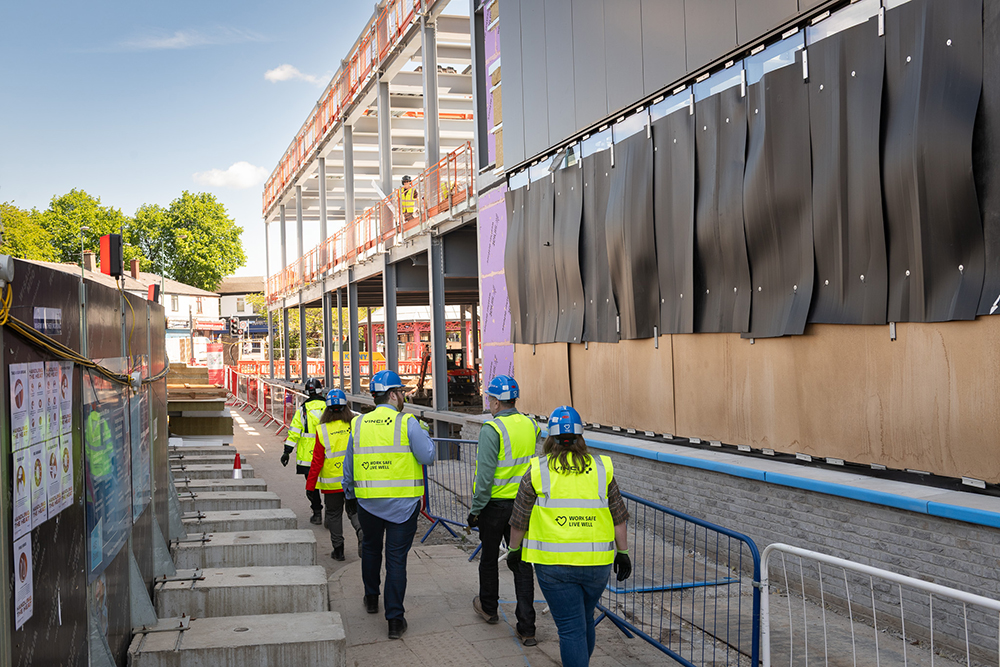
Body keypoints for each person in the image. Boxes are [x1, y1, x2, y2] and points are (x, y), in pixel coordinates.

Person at [506, 406, 632, 667]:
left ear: (550, 438)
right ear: (580, 437)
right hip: (597, 565)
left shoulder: (537, 471)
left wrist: (514, 550)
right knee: (584, 619)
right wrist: (623, 553)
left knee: (570, 629)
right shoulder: (600, 469)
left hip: (554, 567)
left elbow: (520, 518)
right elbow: (618, 515)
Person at [343, 370, 435, 640]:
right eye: (403, 393)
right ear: (394, 395)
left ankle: (371, 599)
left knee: (371, 550)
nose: (404, 397)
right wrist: (424, 433)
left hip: (369, 504)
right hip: (402, 507)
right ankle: (395, 620)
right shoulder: (407, 422)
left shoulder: (359, 424)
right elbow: (427, 456)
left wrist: (350, 494)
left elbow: (349, 465)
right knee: (396, 560)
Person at [466, 375, 539, 645]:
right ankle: (527, 628)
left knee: (488, 560)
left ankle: (488, 607)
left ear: (496, 401)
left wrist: (475, 510)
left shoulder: (492, 429)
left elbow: (485, 478)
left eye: (490, 399)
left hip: (495, 506)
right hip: (523, 506)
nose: (489, 403)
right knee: (521, 563)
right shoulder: (532, 426)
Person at [306, 389, 363, 561]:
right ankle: (361, 533)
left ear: (327, 409)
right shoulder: (355, 426)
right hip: (354, 480)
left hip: (332, 483)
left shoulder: (322, 430)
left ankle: (338, 550)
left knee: (334, 514)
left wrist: (310, 486)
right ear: (346, 407)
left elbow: (316, 461)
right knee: (354, 511)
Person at [281, 377, 327, 525]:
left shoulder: (302, 410)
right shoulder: (328, 408)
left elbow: (294, 432)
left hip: (308, 456)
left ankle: (317, 513)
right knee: (331, 483)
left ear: (307, 392)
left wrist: (287, 451)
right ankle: (332, 515)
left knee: (312, 485)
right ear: (320, 390)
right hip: (328, 452)